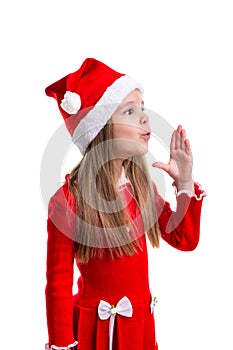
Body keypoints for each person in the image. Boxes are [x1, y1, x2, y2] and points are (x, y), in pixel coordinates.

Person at [44, 58, 206, 350]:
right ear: (100, 129)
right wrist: (62, 344)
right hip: (96, 332)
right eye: (130, 111)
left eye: (142, 108)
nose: (145, 118)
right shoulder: (68, 199)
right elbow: (58, 283)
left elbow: (185, 239)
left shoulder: (142, 189)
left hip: (138, 330)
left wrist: (184, 182)